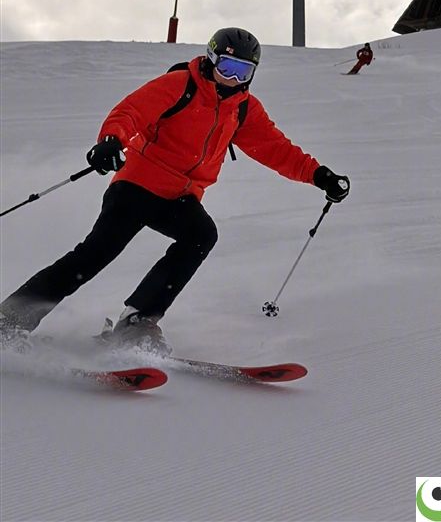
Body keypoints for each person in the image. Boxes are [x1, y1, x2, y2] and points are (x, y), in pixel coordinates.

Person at [0, 28, 350, 354]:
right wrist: (110, 141)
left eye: (242, 72)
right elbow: (131, 112)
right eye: (227, 67)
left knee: (201, 235)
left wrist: (319, 175)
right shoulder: (180, 84)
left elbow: (276, 148)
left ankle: (137, 321)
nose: (232, 79)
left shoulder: (242, 109)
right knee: (94, 255)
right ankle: (9, 321)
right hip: (137, 185)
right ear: (212, 59)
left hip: (179, 197)